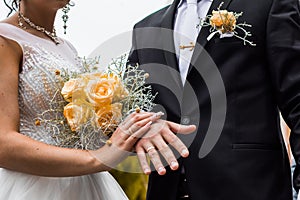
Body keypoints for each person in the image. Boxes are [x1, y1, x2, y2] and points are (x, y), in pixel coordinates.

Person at [0, 0, 196, 199]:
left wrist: (140, 129)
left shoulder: (67, 48)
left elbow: (86, 131)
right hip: (32, 187)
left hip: (83, 183)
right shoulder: (5, 38)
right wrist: (98, 159)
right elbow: (3, 144)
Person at [127, 0, 300, 199]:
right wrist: (143, 126)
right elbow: (131, 106)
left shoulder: (268, 5)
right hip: (167, 189)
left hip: (248, 187)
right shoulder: (144, 29)